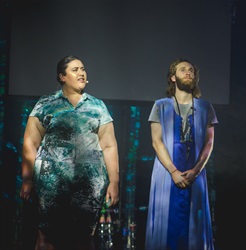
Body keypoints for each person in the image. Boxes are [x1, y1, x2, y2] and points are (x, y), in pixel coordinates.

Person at [19, 55, 120, 249]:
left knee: (83, 238)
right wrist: (27, 179)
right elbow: (30, 142)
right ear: (62, 76)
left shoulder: (97, 106)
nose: (81, 73)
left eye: (83, 69)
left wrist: (114, 181)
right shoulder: (46, 104)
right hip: (51, 182)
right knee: (46, 236)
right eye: (75, 69)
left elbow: (109, 145)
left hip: (89, 184)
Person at [145, 58, 218, 250]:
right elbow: (156, 141)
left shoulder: (205, 107)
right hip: (166, 174)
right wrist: (173, 171)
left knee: (194, 225)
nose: (188, 72)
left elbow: (209, 142)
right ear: (173, 77)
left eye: (192, 70)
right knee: (165, 225)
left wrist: (195, 171)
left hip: (195, 173)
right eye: (183, 69)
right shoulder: (161, 106)